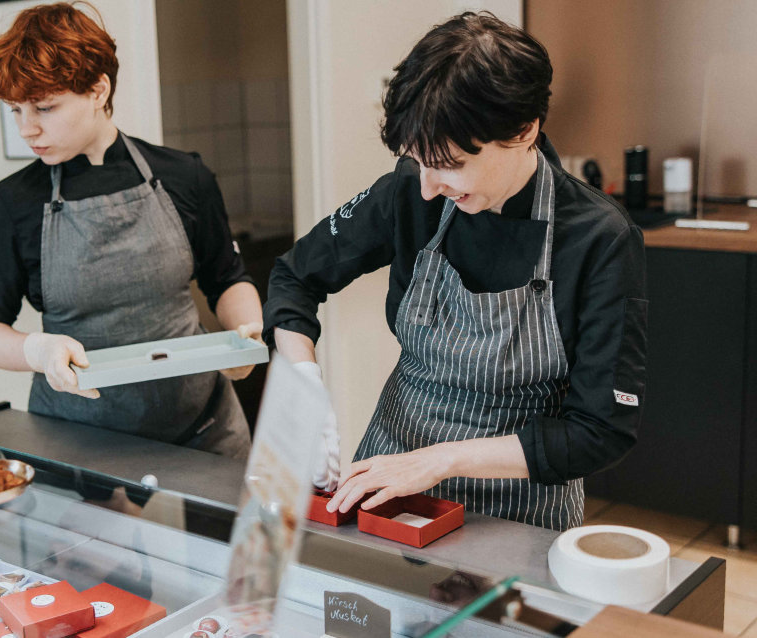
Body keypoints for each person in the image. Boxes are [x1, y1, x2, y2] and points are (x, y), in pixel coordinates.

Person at [266, 12, 647, 531]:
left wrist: (441, 459)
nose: (427, 186)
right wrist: (305, 382)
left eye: (448, 163)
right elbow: (294, 277)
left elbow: (599, 431)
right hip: (387, 494)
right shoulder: (411, 193)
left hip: (517, 514)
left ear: (523, 130)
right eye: (417, 160)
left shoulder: (599, 238)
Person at [0, 2, 265, 457]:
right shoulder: (13, 204)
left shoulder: (185, 175)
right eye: (15, 110)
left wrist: (244, 334)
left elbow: (227, 279)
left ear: (98, 89)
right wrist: (38, 352)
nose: (27, 129)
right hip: (79, 441)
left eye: (44, 107)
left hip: (205, 429)